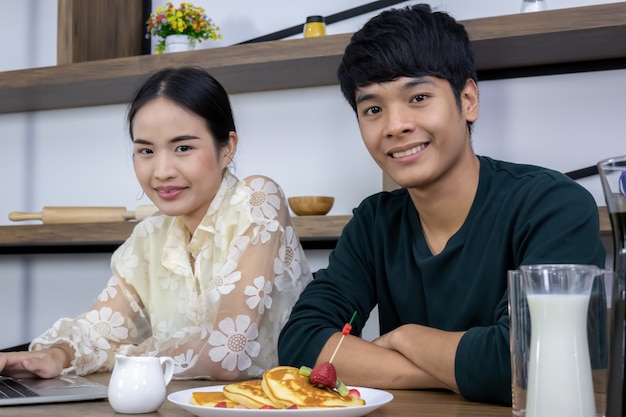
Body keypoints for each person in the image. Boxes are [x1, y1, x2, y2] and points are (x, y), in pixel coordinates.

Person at [277, 4, 605, 405]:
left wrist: (405, 337)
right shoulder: (374, 222)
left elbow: (538, 361)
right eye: (373, 109)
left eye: (418, 97)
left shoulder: (552, 205)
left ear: (467, 100)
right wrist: (449, 369)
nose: (395, 125)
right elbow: (301, 343)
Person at [0, 66, 313, 381]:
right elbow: (101, 328)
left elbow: (228, 354)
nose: (162, 171)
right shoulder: (150, 235)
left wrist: (125, 355)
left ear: (227, 147)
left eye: (183, 148)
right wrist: (54, 355)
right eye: (146, 150)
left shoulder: (257, 199)